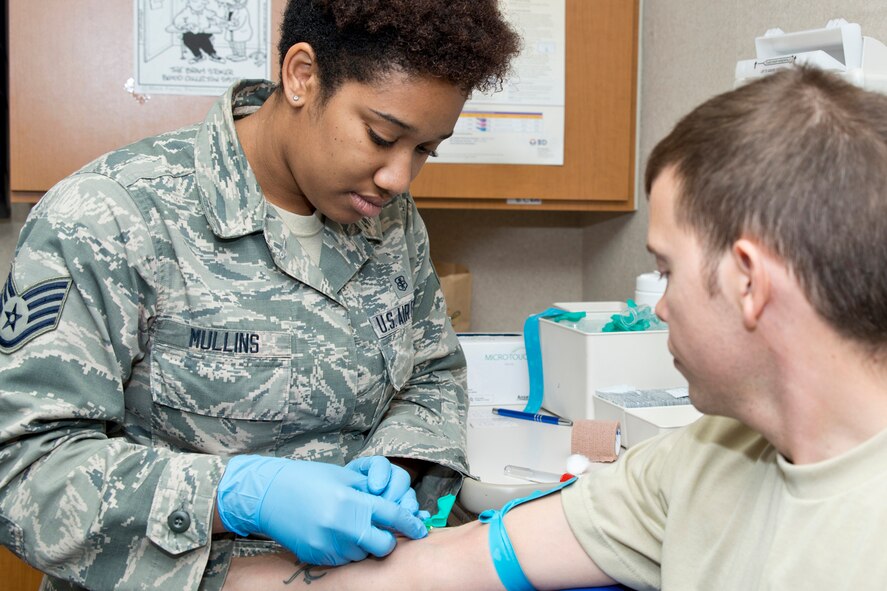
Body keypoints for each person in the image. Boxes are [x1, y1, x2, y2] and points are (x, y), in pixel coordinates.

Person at [214, 65, 887, 589]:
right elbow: (444, 565)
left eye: (665, 269)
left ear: (748, 281)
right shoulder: (703, 460)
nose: (657, 307)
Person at [0, 1, 519, 590]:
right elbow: (23, 472)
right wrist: (235, 494)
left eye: (426, 149)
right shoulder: (110, 217)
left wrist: (395, 466)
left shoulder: (387, 218)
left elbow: (432, 373)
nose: (399, 177)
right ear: (302, 76)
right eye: (382, 136)